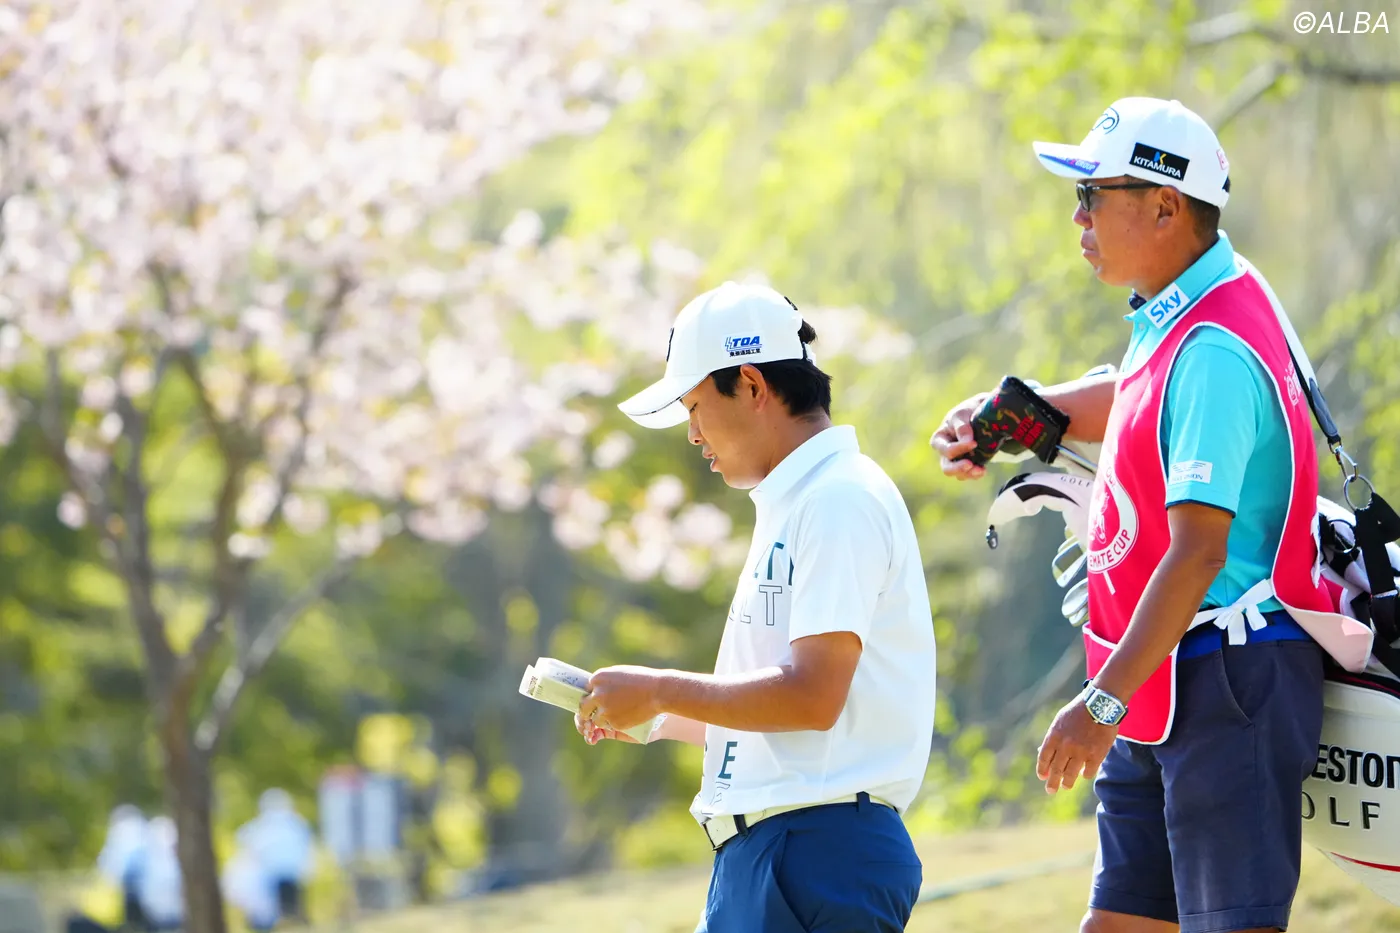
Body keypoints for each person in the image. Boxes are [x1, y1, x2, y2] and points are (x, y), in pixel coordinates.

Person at [931, 97, 1363, 933]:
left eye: (1093, 195)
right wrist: (1014, 413)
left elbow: (1199, 552)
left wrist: (1100, 704)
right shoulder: (1189, 304)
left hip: (1226, 678)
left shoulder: (1213, 348)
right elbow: (1137, 392)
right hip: (1160, 670)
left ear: (1165, 205)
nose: (1078, 217)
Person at [578, 281, 937, 933]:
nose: (692, 434)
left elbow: (812, 698)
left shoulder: (837, 500)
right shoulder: (802, 501)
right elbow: (785, 718)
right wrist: (657, 716)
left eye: (695, 407)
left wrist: (658, 689)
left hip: (815, 850)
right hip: (778, 852)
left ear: (750, 384)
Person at [236, 788, 315, 924]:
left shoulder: (272, 824)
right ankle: (286, 919)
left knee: (283, 901)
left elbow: (244, 837)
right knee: (281, 902)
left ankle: (288, 920)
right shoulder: (294, 823)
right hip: (280, 872)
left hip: (282, 871)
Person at [95, 804, 150, 931]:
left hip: (131, 891)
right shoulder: (142, 830)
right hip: (142, 893)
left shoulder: (123, 832)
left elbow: (111, 864)